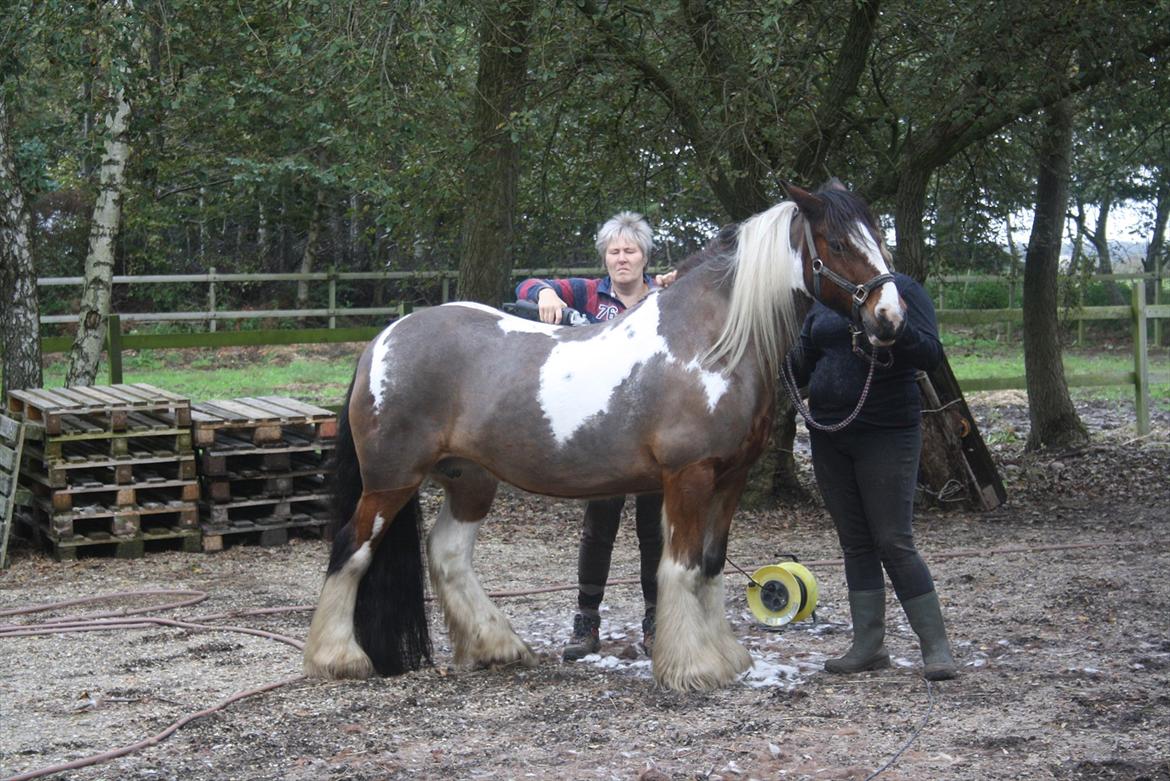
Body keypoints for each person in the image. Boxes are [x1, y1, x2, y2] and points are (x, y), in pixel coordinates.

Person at [788, 271, 958, 681]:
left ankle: (936, 647)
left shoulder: (904, 290)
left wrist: (896, 333)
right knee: (856, 542)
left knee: (893, 541)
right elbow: (803, 362)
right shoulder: (824, 299)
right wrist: (776, 342)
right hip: (829, 433)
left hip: (887, 433)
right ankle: (868, 645)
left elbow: (932, 354)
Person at [515, 211, 670, 660]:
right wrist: (545, 293)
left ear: (645, 256)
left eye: (631, 250)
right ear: (604, 256)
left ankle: (656, 622)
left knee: (653, 531)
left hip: (656, 433)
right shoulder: (587, 291)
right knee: (597, 529)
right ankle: (586, 622)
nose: (622, 259)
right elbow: (524, 286)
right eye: (614, 251)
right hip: (604, 437)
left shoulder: (663, 297)